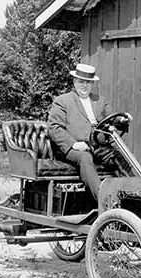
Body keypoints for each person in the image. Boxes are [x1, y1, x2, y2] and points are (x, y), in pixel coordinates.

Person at [48, 63, 114, 200]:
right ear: (74, 81)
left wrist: (121, 122)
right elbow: (54, 128)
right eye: (81, 82)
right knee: (85, 157)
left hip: (98, 146)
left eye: (88, 83)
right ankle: (104, 201)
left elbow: (111, 121)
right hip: (73, 148)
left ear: (92, 84)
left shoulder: (100, 101)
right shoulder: (63, 101)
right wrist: (73, 144)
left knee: (119, 158)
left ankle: (136, 196)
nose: (84, 86)